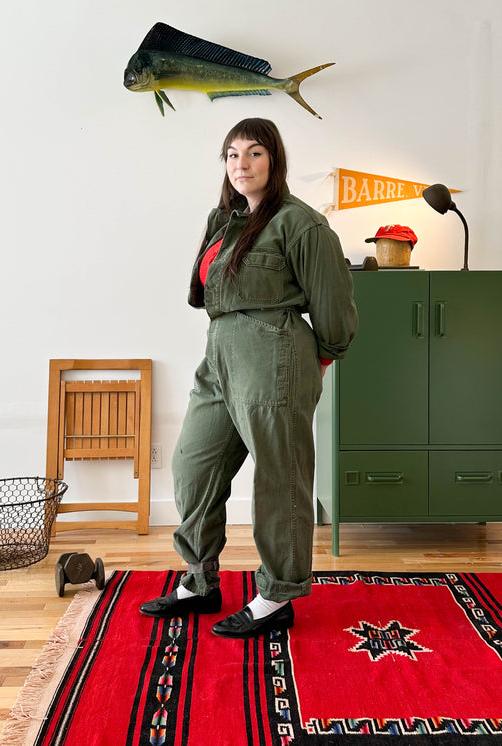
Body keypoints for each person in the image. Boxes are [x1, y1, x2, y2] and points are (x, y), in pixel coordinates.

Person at [140, 118, 358, 638]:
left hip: (273, 354)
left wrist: (316, 360)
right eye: (233, 154)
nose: (242, 164)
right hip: (219, 354)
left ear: (274, 160)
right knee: (193, 465)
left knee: (279, 477)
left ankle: (277, 595)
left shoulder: (301, 224)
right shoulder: (225, 219)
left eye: (255, 153)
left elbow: (334, 310)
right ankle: (199, 580)